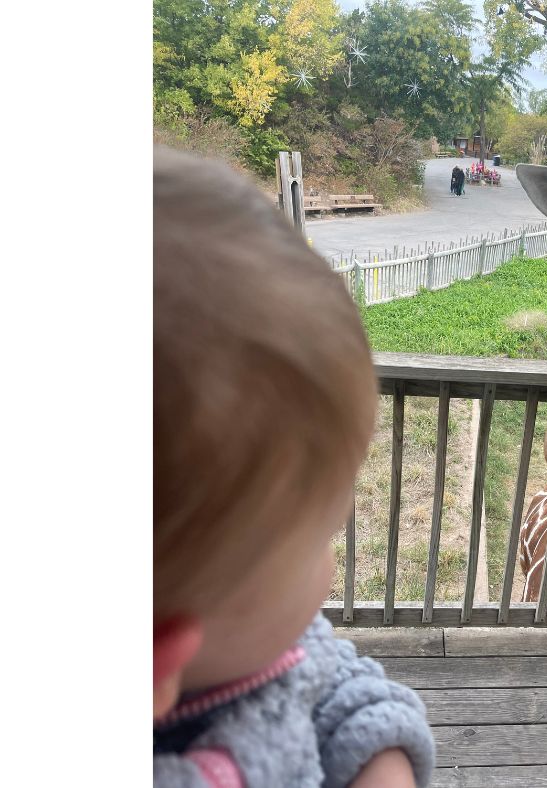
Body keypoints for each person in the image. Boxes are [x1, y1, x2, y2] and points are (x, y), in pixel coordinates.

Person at [153, 146, 435, 788]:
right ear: (161, 659)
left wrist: (379, 756)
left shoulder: (252, 645)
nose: (333, 569)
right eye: (321, 544)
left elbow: (322, 670)